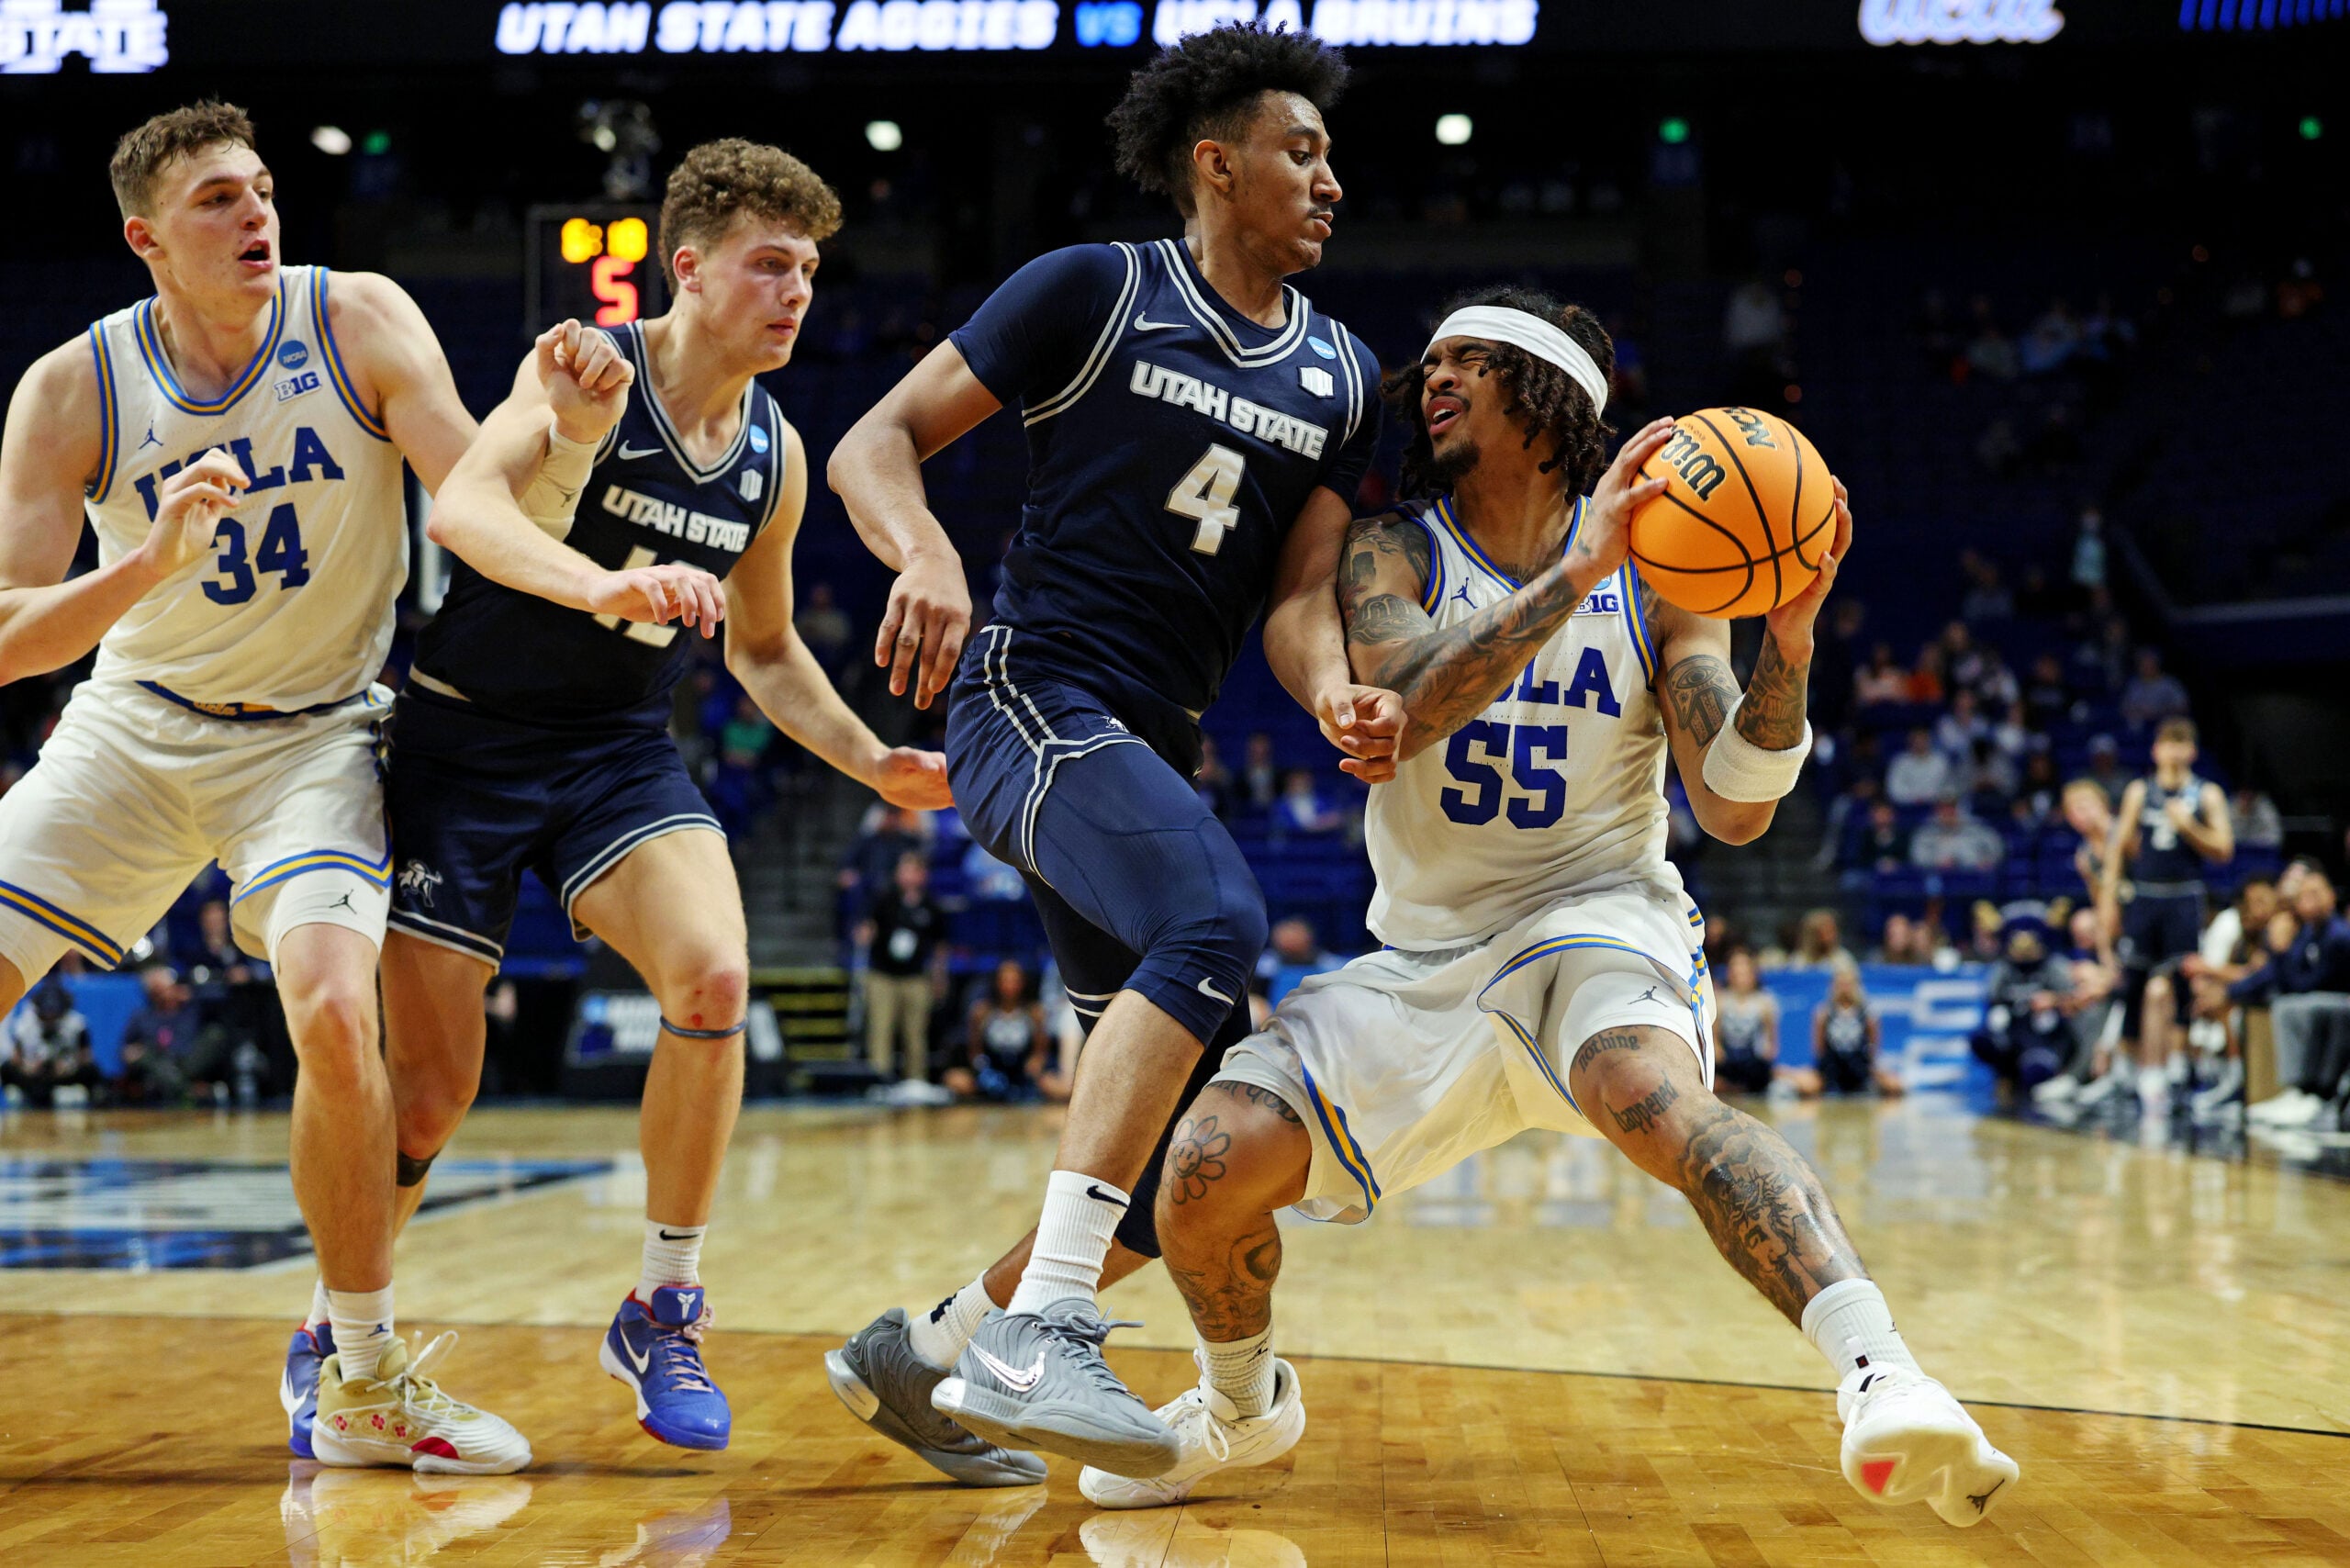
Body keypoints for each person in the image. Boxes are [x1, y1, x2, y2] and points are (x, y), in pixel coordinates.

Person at [1069, 289, 2012, 1526]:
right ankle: (1242, 1413)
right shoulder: (1395, 549)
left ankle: (1883, 1373)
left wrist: (1787, 639)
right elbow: (1412, 688)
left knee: (1649, 1091)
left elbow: (1732, 807)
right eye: (1436, 360)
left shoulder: (1671, 578)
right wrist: (1582, 569)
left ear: (1548, 399)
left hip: (1595, 915)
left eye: (1472, 360)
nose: (1435, 377)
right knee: (1204, 1164)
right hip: (1425, 958)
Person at [823, 24, 1401, 1484]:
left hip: (1154, 742)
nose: (1329, 178)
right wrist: (926, 554)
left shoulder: (1343, 373)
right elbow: (872, 444)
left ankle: (934, 1348)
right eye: (1302, 150)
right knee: (1215, 917)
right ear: (1218, 165)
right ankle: (1049, 1329)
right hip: (1029, 694)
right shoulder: (1096, 288)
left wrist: (1332, 685)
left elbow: (1292, 596)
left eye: (1329, 155)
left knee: (1185, 1157)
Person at [367, 140, 950, 1458]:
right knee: (425, 1104)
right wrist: (600, 588)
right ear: (686, 270)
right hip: (462, 748)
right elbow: (461, 511)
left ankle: (664, 1305)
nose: (796, 291)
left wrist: (873, 761)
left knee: (714, 983)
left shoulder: (777, 454)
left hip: (617, 752)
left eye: (809, 269)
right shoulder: (585, 371)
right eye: (768, 264)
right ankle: (343, 1335)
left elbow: (762, 648)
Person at [0, 103, 526, 1467]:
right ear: (145, 241)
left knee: (337, 1010)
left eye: (264, 192)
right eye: (220, 201)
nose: (256, 218)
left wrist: (563, 435)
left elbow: (476, 501)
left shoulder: (354, 319)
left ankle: (357, 1376)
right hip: (134, 725)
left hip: (317, 733)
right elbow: (7, 639)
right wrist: (145, 570)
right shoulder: (74, 388)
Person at [2100, 718, 2232, 1111]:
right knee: (2133, 981)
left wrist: (2187, 826)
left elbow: (2224, 848)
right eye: (2166, 744)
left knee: (2182, 982)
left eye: (2181, 745)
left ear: (2191, 751)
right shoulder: (2140, 791)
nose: (2173, 753)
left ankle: (2177, 1069)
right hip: (2145, 895)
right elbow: (2118, 847)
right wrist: (2110, 893)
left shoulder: (2205, 794)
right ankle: (2124, 1071)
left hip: (2183, 895)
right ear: (2155, 750)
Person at [859, 851, 944, 1083]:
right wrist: (866, 933)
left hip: (915, 977)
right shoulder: (884, 898)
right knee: (880, 1030)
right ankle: (879, 1079)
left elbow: (940, 946)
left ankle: (915, 1080)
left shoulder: (931, 905)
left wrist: (938, 977)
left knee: (915, 1034)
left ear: (922, 875)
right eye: (903, 870)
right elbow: (868, 925)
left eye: (912, 871)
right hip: (883, 976)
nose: (907, 876)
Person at [1791, 962, 1908, 1099]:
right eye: (1841, 984)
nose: (1844, 988)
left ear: (1856, 986)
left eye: (1848, 984)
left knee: (1895, 1086)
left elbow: (1873, 1048)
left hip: (1859, 1069)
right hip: (1832, 1069)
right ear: (1834, 986)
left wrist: (1873, 1070)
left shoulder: (1868, 1013)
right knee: (1806, 1087)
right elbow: (1819, 1049)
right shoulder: (1823, 1013)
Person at [945, 958, 1048, 1103]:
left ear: (1023, 983)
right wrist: (983, 1070)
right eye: (1005, 980)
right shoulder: (981, 1012)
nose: (1009, 986)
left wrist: (1034, 1066)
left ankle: (1017, 1092)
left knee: (1057, 1085)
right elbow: (975, 1051)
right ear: (996, 982)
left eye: (1014, 981)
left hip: (1022, 1072)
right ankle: (990, 1093)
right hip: (993, 1070)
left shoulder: (1034, 1013)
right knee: (953, 1079)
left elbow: (1040, 1053)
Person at [1, 979, 102, 1107]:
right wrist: (28, 1067)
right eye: (46, 1015)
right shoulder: (24, 1026)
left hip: (65, 1074)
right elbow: (15, 1059)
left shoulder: (77, 1024)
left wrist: (69, 1067)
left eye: (54, 1014)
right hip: (34, 1076)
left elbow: (86, 1057)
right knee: (6, 1068)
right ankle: (26, 1096)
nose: (50, 1018)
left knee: (92, 1070)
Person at [1712, 947, 1780, 1094]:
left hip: (1754, 1063)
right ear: (1729, 974)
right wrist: (1719, 1053)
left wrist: (1766, 1052)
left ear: (1753, 974)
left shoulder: (1765, 1002)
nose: (1740, 977)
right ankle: (1733, 1088)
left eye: (1744, 972)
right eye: (1736, 972)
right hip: (1728, 1063)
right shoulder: (1720, 1001)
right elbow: (1714, 1039)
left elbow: (1771, 1041)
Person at [1886, 727, 1953, 805]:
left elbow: (1948, 785)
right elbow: (1894, 789)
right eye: (1916, 741)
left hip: (1936, 804)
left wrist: (1932, 797)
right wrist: (1915, 798)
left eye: (1923, 740)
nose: (1920, 744)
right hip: (1907, 805)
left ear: (1929, 741)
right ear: (1910, 742)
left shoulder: (1941, 760)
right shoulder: (1900, 762)